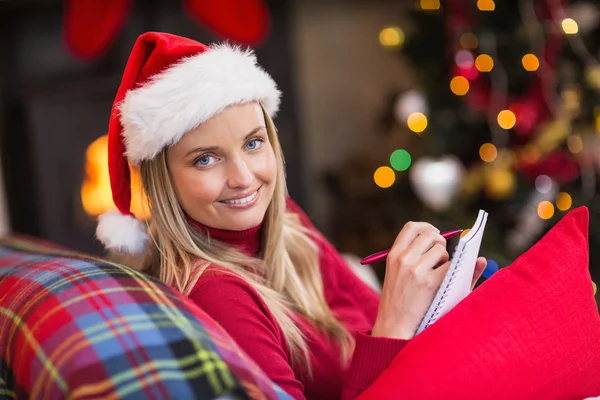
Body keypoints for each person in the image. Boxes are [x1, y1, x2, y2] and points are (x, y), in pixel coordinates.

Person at [97, 32, 487, 400]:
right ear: (165, 181)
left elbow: (365, 307)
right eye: (205, 159)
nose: (244, 179)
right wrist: (394, 326)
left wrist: (433, 303)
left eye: (253, 143)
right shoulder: (220, 296)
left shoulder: (283, 223)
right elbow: (384, 328)